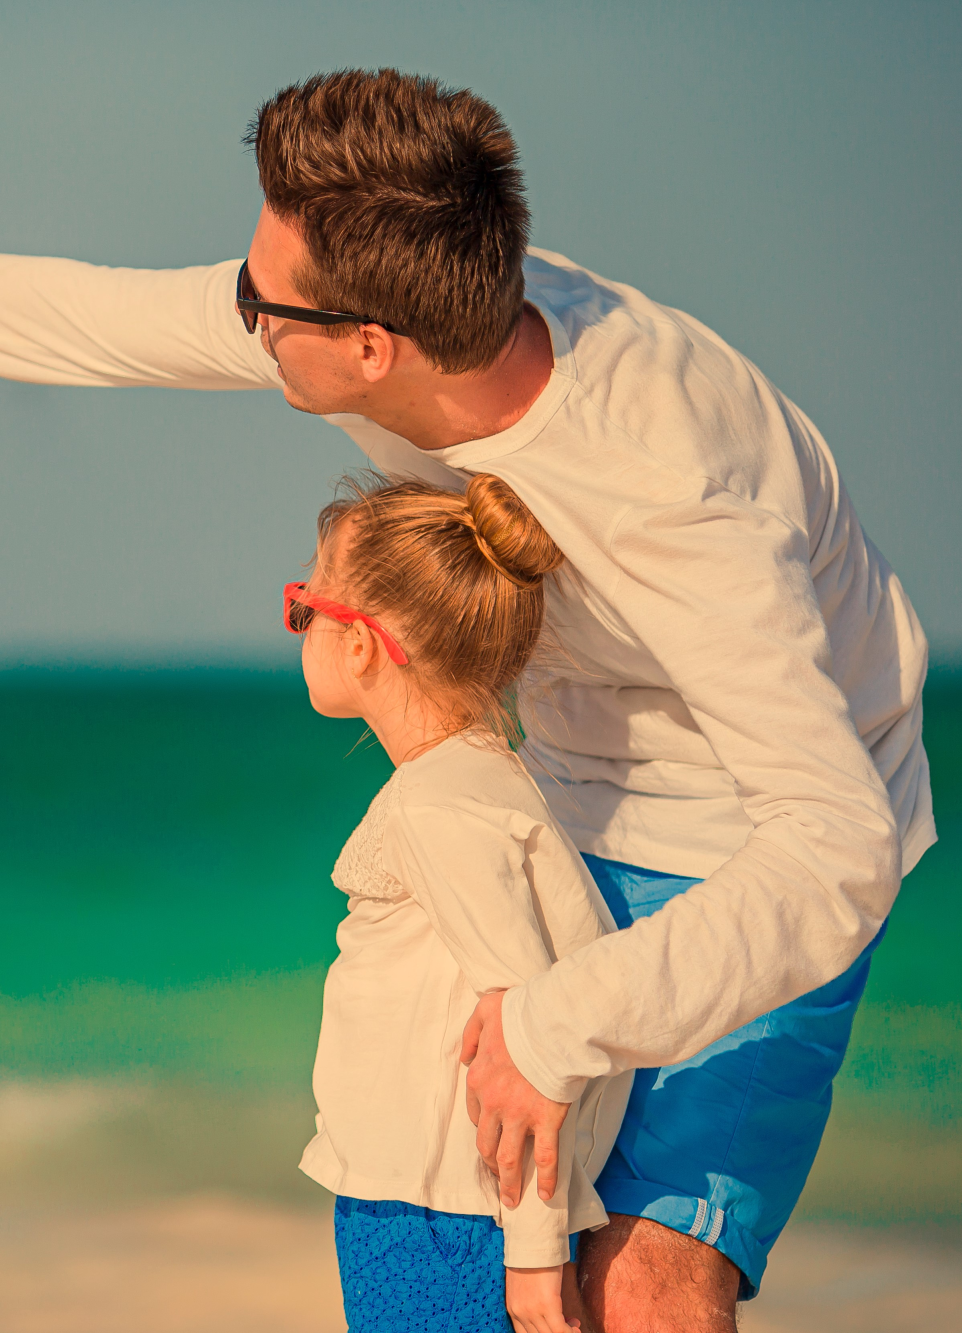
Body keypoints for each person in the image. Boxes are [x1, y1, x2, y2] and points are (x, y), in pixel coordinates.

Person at [0, 68, 933, 1332]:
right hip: (559, 795)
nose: (242, 312)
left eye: (271, 303)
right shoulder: (385, 324)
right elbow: (82, 319)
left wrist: (546, 1027)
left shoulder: (678, 497)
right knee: (497, 1266)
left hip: (755, 839)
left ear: (375, 348)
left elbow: (835, 854)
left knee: (641, 1287)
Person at [290, 471, 632, 1333]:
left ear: (361, 643)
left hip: (436, 1217)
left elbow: (529, 1036)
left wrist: (533, 1253)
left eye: (304, 605)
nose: (299, 625)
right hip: (441, 1209)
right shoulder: (483, 777)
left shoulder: (436, 805)